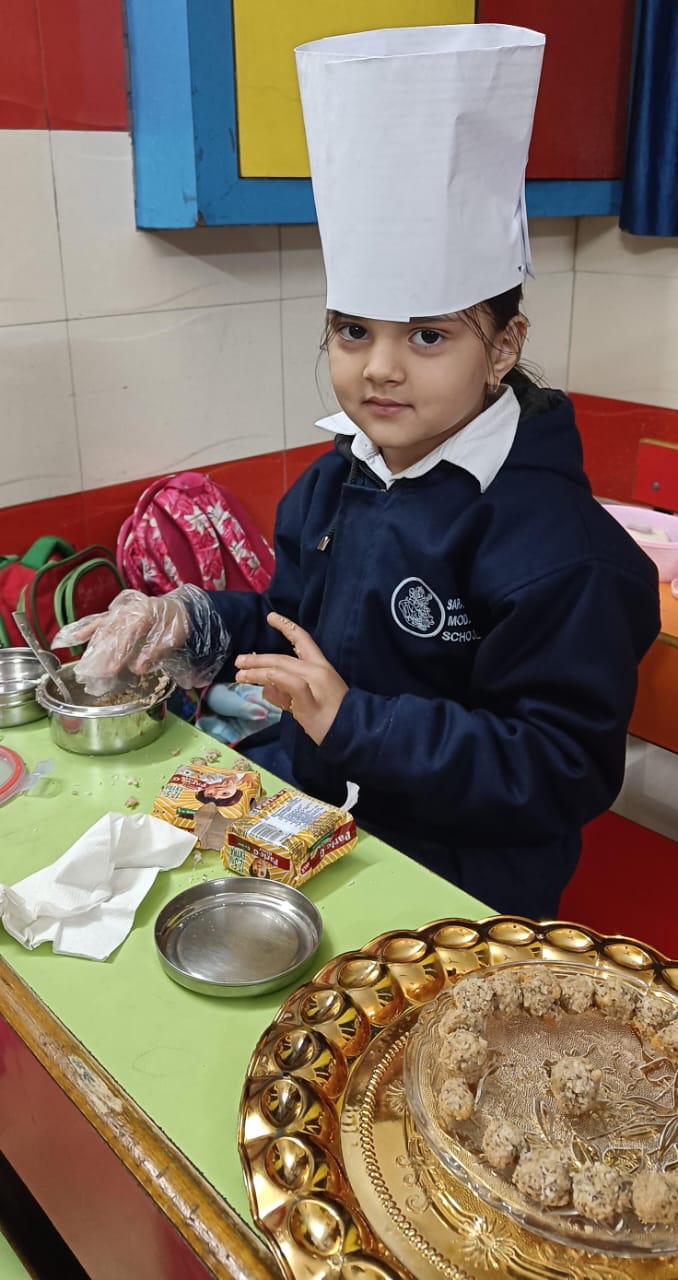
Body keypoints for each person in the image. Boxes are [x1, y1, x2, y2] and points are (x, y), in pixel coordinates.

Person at [55, 25, 660, 918]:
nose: (380, 368)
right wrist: (189, 621)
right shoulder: (338, 482)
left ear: (504, 347)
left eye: (428, 336)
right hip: (312, 819)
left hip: (456, 880)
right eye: (352, 331)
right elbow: (293, 628)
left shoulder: (564, 555)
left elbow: (559, 769)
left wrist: (354, 722)